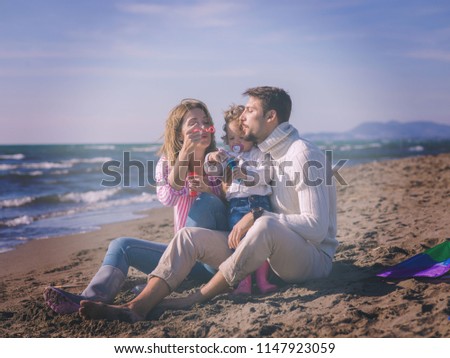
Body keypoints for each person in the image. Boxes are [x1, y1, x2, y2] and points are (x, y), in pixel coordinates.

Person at [78, 86, 338, 323]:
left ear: (270, 117)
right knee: (187, 237)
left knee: (265, 223)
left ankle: (195, 298)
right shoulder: (265, 155)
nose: (242, 117)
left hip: (309, 259)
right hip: (260, 252)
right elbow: (184, 192)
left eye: (249, 110)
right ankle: (137, 306)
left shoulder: (301, 153)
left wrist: (258, 214)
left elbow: (316, 228)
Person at [43, 99, 228, 315]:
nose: (202, 127)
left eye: (205, 122)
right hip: (182, 258)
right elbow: (168, 197)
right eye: (193, 123)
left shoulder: (221, 158)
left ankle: (160, 285)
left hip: (215, 259)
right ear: (179, 134)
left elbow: (237, 204)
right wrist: (186, 153)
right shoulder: (167, 164)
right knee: (122, 245)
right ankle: (89, 299)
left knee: (204, 201)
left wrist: (208, 189)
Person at [205, 104, 277, 294]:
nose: (236, 141)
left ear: (250, 134)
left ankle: (262, 281)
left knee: (258, 241)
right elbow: (212, 173)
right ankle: (244, 282)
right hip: (236, 206)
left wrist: (245, 174)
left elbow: (265, 175)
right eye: (231, 138)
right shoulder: (228, 155)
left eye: (241, 137)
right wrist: (211, 159)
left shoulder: (259, 153)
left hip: (257, 204)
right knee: (239, 242)